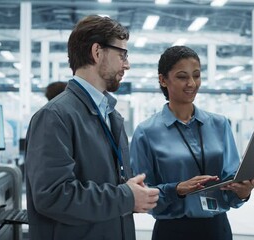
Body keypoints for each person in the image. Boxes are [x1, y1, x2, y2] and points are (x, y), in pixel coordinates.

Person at [24, 15, 159, 240]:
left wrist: (133, 194)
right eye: (122, 54)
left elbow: (110, 187)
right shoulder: (54, 116)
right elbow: (53, 195)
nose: (127, 64)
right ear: (97, 52)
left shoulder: (111, 116)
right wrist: (125, 197)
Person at [130, 46, 254, 240]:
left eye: (196, 75)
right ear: (163, 80)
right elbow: (142, 194)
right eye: (182, 77)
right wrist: (177, 189)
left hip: (218, 229)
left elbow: (231, 179)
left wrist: (243, 192)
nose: (191, 83)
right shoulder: (146, 132)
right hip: (173, 231)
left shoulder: (220, 124)